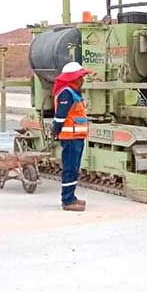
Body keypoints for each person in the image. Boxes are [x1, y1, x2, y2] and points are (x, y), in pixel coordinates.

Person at [50, 62, 92, 212]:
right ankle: (67, 200)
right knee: (69, 168)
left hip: (77, 137)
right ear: (74, 78)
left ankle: (71, 197)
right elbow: (60, 117)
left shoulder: (74, 93)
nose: (83, 80)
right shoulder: (66, 93)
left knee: (74, 168)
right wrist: (55, 132)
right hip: (70, 138)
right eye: (81, 77)